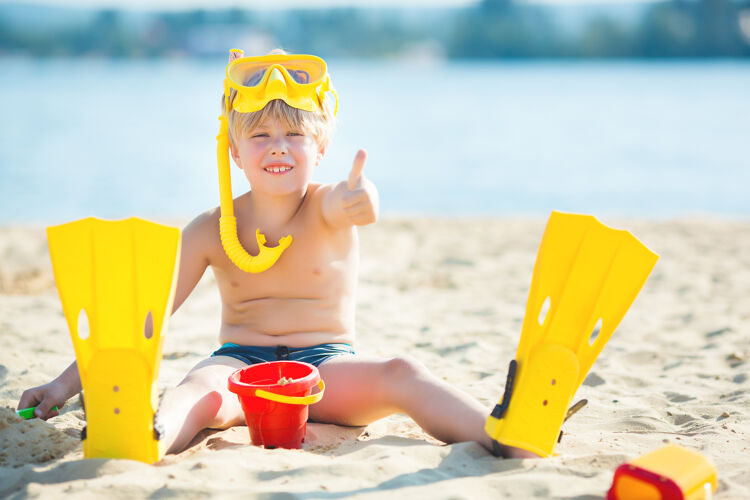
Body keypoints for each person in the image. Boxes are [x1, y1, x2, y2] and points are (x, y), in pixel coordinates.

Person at [18, 49, 534, 459]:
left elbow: (356, 201)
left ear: (322, 146)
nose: (278, 147)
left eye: (295, 134)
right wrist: (64, 384)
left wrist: (363, 199)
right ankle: (144, 437)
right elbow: (142, 317)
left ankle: (501, 436)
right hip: (239, 365)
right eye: (260, 135)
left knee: (401, 371)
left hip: (324, 369)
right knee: (200, 389)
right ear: (235, 153)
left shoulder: (328, 204)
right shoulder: (208, 230)